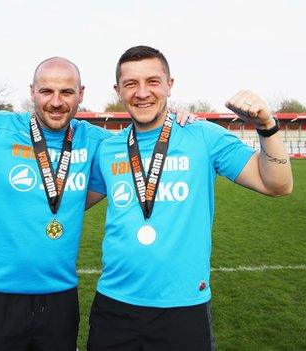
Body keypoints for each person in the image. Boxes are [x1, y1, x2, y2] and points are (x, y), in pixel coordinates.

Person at [0, 12, 193, 350]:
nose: (56, 101)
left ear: (81, 94)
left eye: (66, 91)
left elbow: (143, 146)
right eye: (46, 91)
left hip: (60, 301)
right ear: (32, 91)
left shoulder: (98, 142)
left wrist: (176, 120)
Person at [84, 45, 293, 351]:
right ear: (118, 90)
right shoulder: (109, 148)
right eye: (131, 84)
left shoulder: (202, 136)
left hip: (183, 307)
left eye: (153, 81)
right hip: (114, 305)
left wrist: (266, 125)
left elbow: (278, 185)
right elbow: (71, 206)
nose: (142, 92)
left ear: (170, 85)